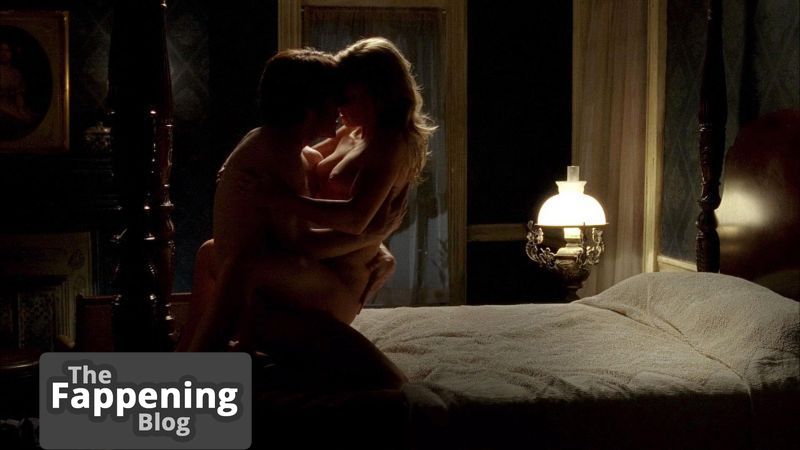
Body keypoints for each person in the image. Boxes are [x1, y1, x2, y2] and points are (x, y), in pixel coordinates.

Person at [182, 49, 402, 358]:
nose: (340, 109)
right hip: (314, 280)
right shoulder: (285, 153)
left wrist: (376, 245)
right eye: (335, 100)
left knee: (231, 262)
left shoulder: (290, 148)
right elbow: (297, 243)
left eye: (347, 98)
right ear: (312, 108)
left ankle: (193, 353)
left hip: (328, 287)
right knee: (227, 260)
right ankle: (196, 354)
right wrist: (369, 236)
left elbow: (318, 212)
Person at [265, 36, 436, 305]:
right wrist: (247, 162)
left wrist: (281, 200)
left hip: (341, 273)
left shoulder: (389, 146)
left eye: (348, 97)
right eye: (337, 95)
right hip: (317, 254)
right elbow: (299, 155)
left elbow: (356, 219)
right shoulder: (353, 131)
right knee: (214, 255)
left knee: (245, 270)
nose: (338, 106)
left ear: (379, 94)